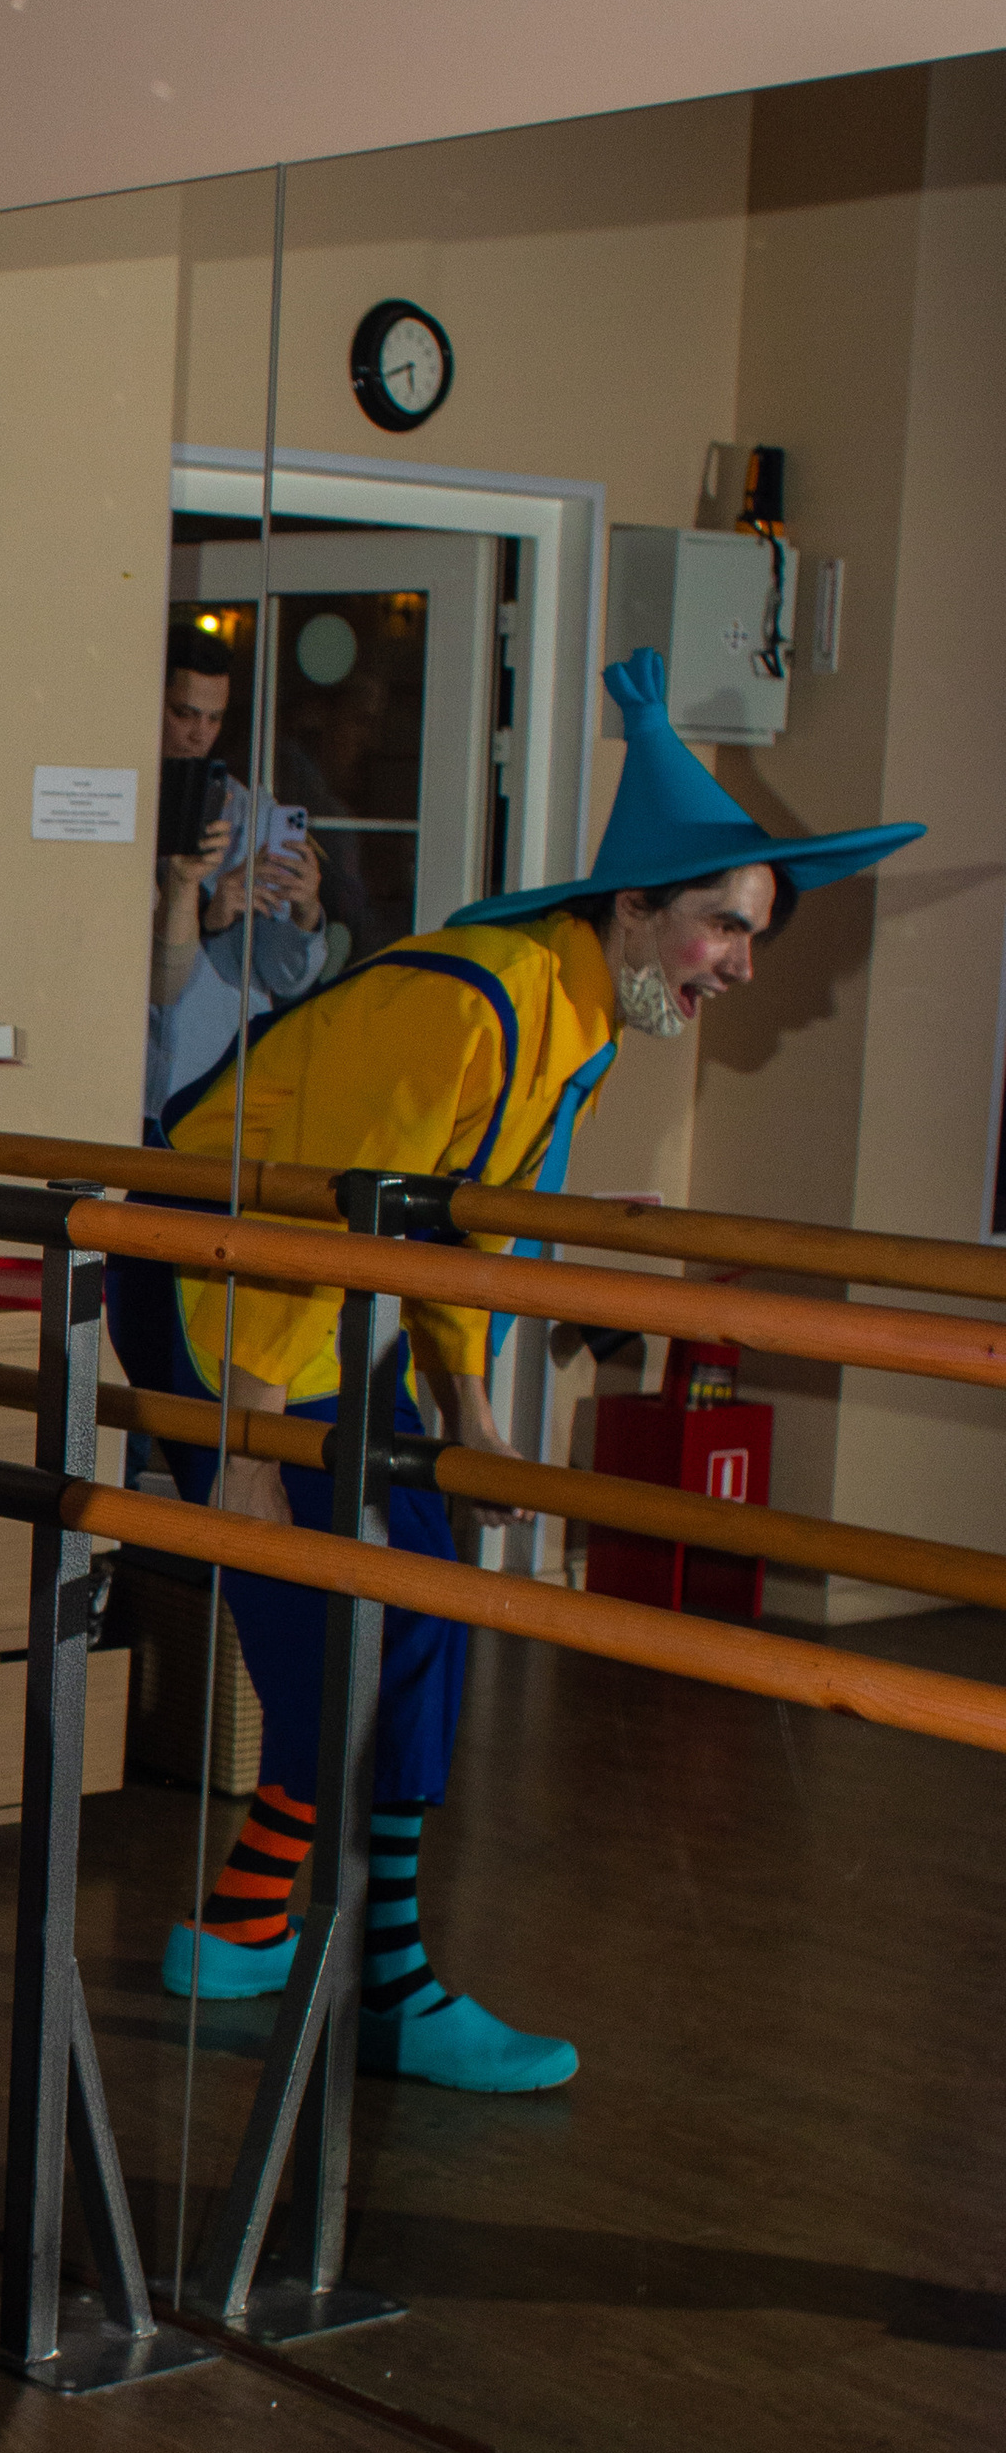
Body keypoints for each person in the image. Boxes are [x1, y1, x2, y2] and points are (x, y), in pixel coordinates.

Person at [112, 647, 923, 2093]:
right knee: (335, 1619)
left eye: (753, 939)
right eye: (725, 928)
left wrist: (470, 1409)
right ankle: (386, 1986)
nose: (739, 965)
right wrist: (244, 1440)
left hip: (310, 1302)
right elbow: (315, 1206)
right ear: (633, 910)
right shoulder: (476, 1000)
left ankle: (243, 1927)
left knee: (420, 1591)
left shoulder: (580, 1026)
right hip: (221, 1289)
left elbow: (450, 1224)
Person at [145, 624, 331, 1126]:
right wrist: (209, 912)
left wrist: (307, 912)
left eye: (214, 718)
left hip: (214, 1087)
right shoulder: (122, 804)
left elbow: (285, 977)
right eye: (183, 713)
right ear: (150, 701)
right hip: (128, 1071)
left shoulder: (250, 812)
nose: (199, 733)